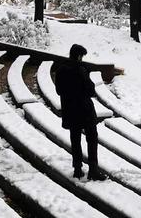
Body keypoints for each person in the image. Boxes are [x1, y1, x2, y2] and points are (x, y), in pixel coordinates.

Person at [55, 44, 105, 181]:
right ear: (78, 56)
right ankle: (93, 170)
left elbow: (58, 91)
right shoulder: (80, 70)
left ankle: (77, 169)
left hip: (69, 109)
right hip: (84, 110)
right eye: (82, 56)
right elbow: (90, 90)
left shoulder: (60, 70)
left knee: (75, 138)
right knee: (92, 138)